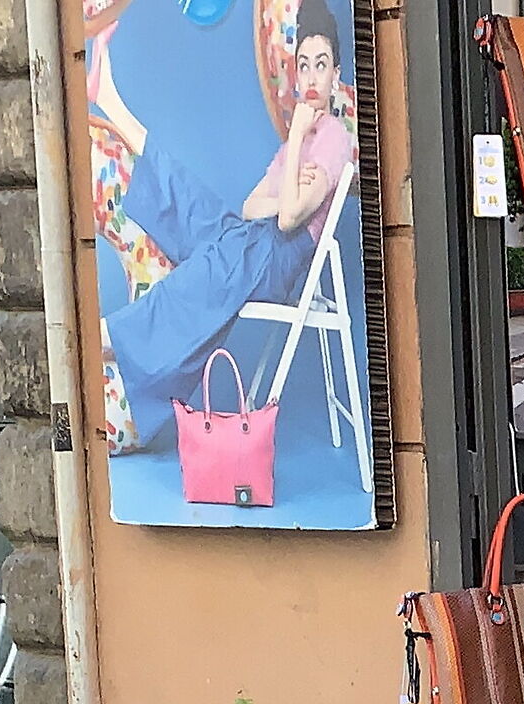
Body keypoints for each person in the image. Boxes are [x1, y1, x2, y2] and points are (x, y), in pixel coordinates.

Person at [90, 1, 356, 451]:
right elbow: (253, 206)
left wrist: (292, 151)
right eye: (304, 64)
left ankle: (112, 337)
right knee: (192, 201)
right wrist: (289, 184)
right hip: (252, 240)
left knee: (206, 268)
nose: (310, 77)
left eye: (322, 65)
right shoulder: (303, 139)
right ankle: (112, 101)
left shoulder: (332, 137)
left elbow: (290, 219)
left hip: (275, 262)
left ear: (336, 74)